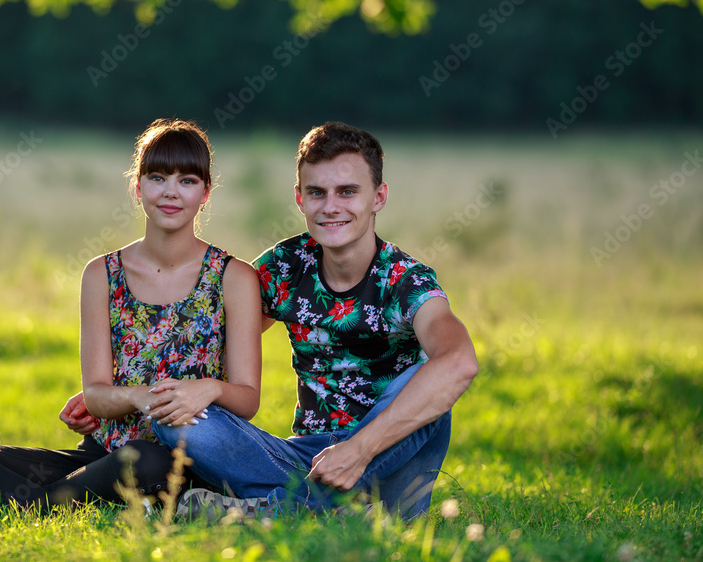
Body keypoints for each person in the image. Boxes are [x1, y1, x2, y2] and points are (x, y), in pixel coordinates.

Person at [0, 118, 262, 514]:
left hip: (176, 459)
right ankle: (48, 502)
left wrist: (210, 388)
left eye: (187, 181)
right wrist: (138, 396)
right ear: (138, 188)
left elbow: (247, 399)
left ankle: (23, 503)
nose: (170, 192)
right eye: (157, 178)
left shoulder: (233, 276)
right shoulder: (102, 274)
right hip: (102, 456)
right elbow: (97, 396)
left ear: (205, 193)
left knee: (146, 459)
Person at [151, 122, 479, 521]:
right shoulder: (285, 267)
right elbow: (207, 340)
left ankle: (272, 512)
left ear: (379, 197)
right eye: (317, 193)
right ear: (300, 199)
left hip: (388, 455)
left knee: (430, 379)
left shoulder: (406, 280)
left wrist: (358, 450)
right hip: (304, 458)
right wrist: (123, 389)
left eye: (347, 192)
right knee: (177, 416)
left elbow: (460, 362)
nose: (330, 206)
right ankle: (329, 512)